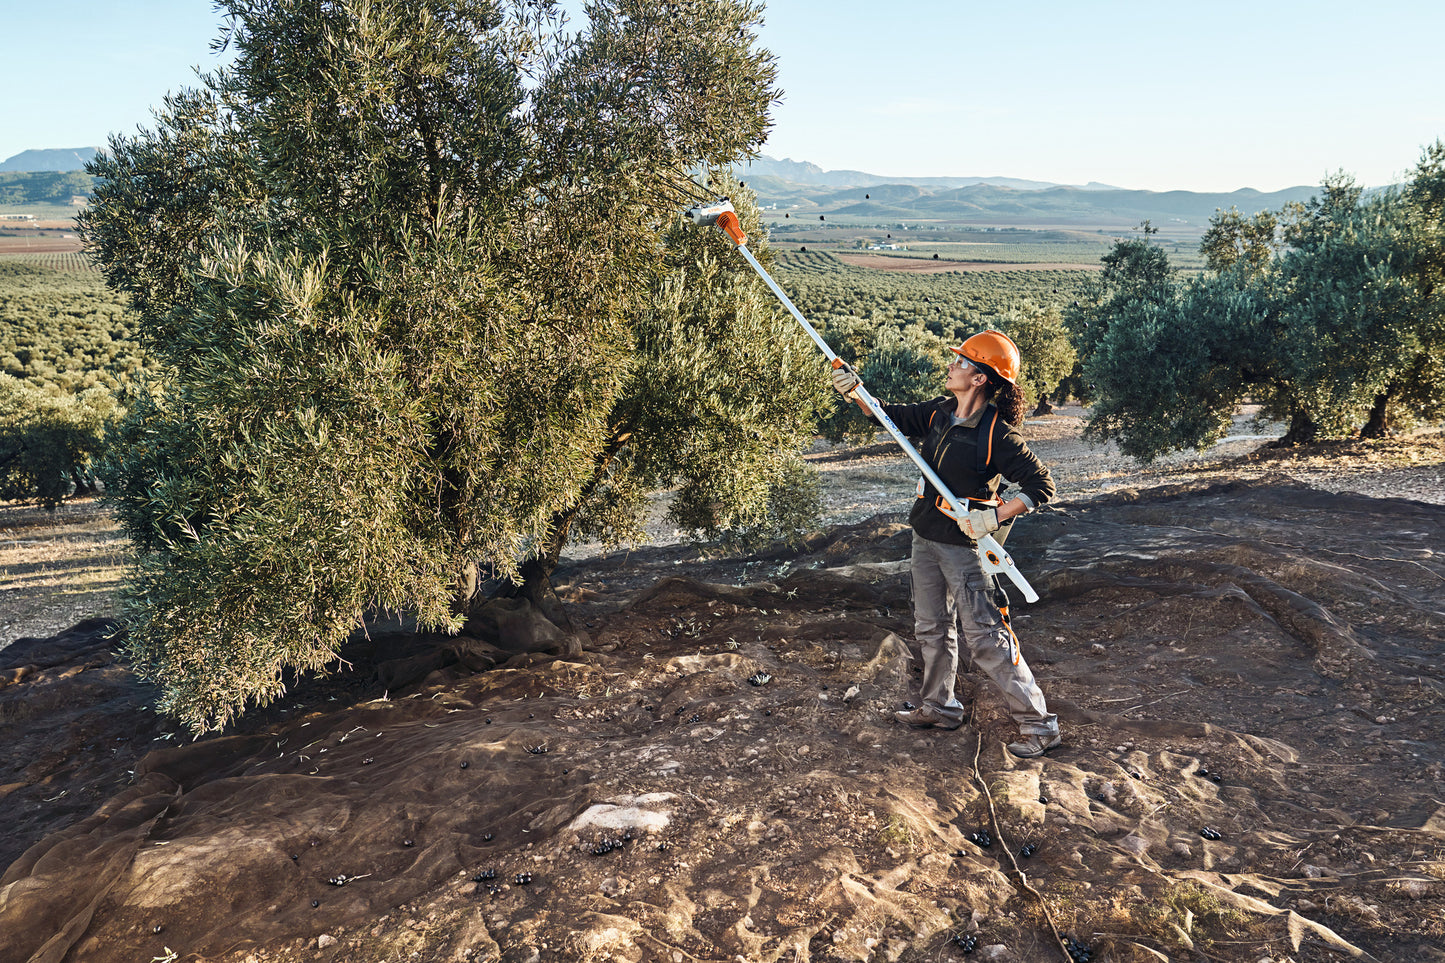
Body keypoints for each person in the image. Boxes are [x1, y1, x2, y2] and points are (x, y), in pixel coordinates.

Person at [831, 331, 1061, 758]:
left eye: (961, 362)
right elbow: (887, 416)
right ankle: (939, 707)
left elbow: (1041, 485)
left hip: (964, 549)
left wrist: (993, 516)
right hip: (925, 537)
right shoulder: (939, 413)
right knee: (931, 627)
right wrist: (855, 392)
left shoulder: (997, 435)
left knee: (986, 636)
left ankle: (1040, 724)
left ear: (980, 378)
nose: (952, 365)